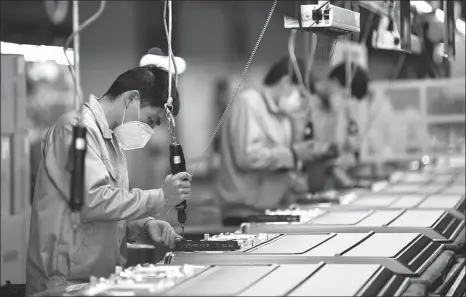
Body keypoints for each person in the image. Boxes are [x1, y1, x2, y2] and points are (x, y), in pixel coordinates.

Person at [26, 64, 192, 295]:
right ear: (131, 98)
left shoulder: (111, 142)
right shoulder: (75, 131)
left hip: (96, 278)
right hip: (64, 280)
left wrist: (144, 224)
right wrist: (160, 197)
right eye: (151, 120)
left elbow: (106, 213)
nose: (150, 130)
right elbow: (92, 201)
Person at [216, 57, 331, 226]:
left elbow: (277, 160)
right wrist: (293, 154)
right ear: (285, 82)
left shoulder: (282, 116)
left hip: (269, 209)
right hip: (244, 212)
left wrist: (293, 177)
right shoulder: (249, 102)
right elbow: (248, 157)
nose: (301, 104)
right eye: (300, 95)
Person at [301, 62, 371, 192]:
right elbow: (303, 152)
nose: (345, 103)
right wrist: (339, 148)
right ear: (334, 82)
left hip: (320, 188)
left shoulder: (334, 111)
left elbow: (330, 161)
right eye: (345, 96)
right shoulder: (304, 106)